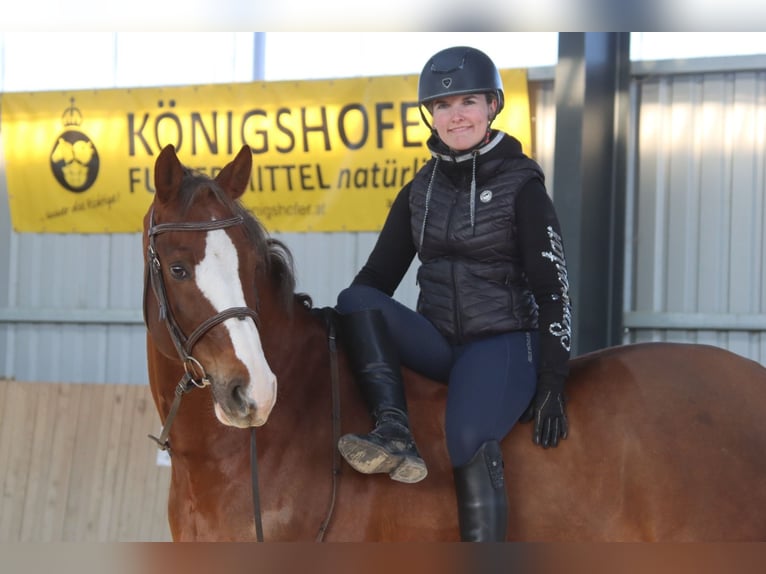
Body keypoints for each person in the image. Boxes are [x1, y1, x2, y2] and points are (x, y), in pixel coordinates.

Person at [334, 46, 572, 542]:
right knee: (353, 302)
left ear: (492, 106)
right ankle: (394, 431)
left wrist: (554, 379)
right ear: (432, 116)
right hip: (439, 339)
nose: (455, 114)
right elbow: (375, 280)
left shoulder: (523, 186)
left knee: (464, 437)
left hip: (502, 341)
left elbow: (555, 291)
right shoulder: (419, 190)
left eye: (467, 102)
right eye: (443, 105)